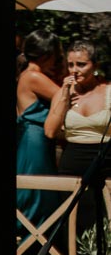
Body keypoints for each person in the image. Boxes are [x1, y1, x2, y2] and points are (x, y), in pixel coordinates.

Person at [0, 30, 63, 231]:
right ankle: (28, 237)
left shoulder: (30, 74)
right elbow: (62, 94)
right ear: (46, 55)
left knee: (36, 189)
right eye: (57, 56)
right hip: (35, 140)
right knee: (37, 192)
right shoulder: (33, 75)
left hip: (32, 137)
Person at [45, 41, 111, 233]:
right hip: (72, 160)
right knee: (76, 221)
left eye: (81, 64)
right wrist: (65, 95)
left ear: (95, 65)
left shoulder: (107, 90)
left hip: (105, 159)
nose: (75, 70)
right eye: (71, 64)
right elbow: (50, 131)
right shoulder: (63, 93)